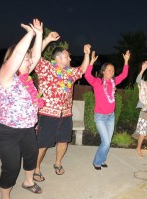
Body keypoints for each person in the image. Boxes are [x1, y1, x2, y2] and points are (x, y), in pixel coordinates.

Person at [0, 19, 43, 198]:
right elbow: (19, 53)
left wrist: (39, 34)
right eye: (26, 60)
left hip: (27, 129)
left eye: (29, 60)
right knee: (11, 167)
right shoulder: (5, 76)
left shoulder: (26, 78)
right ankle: (5, 196)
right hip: (6, 131)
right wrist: (29, 34)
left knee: (31, 156)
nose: (30, 62)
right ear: (16, 60)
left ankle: (28, 181)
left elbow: (36, 56)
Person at [34, 32, 91, 181]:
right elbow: (35, 55)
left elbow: (82, 70)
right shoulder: (45, 68)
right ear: (58, 58)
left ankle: (58, 162)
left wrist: (87, 54)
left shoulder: (69, 73)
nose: (70, 58)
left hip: (65, 114)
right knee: (43, 144)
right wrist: (46, 39)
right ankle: (36, 168)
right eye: (67, 56)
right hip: (48, 114)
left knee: (64, 141)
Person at [85, 50, 130, 170]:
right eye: (109, 70)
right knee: (105, 142)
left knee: (107, 142)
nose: (112, 72)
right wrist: (91, 63)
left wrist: (126, 61)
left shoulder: (114, 82)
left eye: (113, 70)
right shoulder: (98, 82)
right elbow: (87, 76)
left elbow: (124, 75)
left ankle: (102, 159)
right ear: (103, 71)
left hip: (111, 116)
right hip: (100, 116)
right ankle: (97, 161)